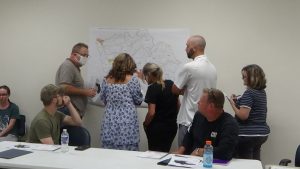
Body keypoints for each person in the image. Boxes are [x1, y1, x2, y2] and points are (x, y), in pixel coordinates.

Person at [172, 35, 217, 146]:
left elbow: (174, 90)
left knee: (183, 157)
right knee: (199, 157)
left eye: (187, 46)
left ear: (194, 48)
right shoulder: (212, 68)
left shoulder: (189, 67)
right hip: (205, 121)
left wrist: (185, 89)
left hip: (188, 120)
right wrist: (189, 89)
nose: (185, 49)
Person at [174, 88, 238, 160]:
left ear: (211, 106)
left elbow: (224, 152)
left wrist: (199, 151)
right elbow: (189, 135)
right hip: (191, 160)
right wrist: (180, 151)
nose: (198, 103)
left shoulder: (230, 124)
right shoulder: (198, 116)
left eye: (200, 102)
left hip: (212, 163)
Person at [100, 53, 143, 151]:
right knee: (128, 153)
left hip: (110, 120)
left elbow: (103, 99)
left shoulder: (106, 80)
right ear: (129, 65)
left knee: (108, 152)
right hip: (127, 122)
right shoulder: (133, 80)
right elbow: (138, 100)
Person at [228, 64, 270, 160]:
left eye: (244, 77)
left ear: (252, 77)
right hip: (261, 134)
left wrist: (232, 104)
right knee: (255, 162)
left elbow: (243, 116)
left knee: (246, 163)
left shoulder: (249, 93)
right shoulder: (262, 92)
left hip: (247, 135)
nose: (242, 79)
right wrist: (238, 102)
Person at [142, 63, 179, 152]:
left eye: (145, 76)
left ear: (149, 75)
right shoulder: (171, 83)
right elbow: (178, 105)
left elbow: (151, 112)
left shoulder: (152, 88)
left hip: (157, 128)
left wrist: (145, 123)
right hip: (171, 127)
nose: (145, 79)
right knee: (164, 153)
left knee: (154, 155)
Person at [55, 42, 96, 117]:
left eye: (87, 56)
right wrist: (85, 92)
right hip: (68, 110)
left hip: (73, 111)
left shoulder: (74, 67)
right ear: (74, 54)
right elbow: (64, 87)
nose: (86, 58)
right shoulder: (67, 66)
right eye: (84, 55)